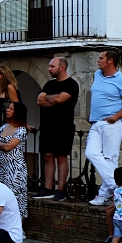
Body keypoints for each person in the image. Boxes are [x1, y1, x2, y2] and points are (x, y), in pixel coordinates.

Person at [86, 50, 122, 206]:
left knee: (110, 158)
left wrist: (115, 117)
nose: (97, 60)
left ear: (110, 61)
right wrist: (91, 113)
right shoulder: (97, 74)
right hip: (97, 122)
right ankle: (118, 187)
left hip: (113, 123)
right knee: (90, 152)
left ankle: (103, 194)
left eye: (101, 58)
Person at [36, 57, 80, 200]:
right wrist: (54, 99)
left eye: (52, 66)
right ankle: (48, 188)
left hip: (64, 126)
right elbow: (39, 100)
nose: (49, 69)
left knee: (61, 157)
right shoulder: (49, 84)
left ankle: (61, 190)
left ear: (62, 67)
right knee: (47, 156)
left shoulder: (72, 84)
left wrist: (52, 99)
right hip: (47, 125)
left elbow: (60, 100)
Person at [0, 101, 29, 219]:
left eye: (11, 109)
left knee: (16, 197)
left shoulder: (21, 130)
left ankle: (18, 227)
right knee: (3, 197)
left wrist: (1, 143)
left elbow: (8, 147)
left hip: (15, 169)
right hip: (3, 168)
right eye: (8, 108)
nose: (7, 110)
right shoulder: (4, 127)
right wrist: (4, 144)